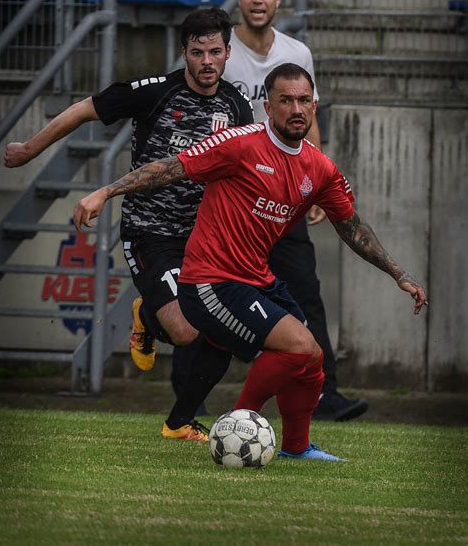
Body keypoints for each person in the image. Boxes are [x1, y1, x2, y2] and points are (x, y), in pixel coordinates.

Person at [73, 63, 427, 461]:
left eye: (304, 100)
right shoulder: (239, 143)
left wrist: (399, 274)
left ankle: (298, 448)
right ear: (267, 106)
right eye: (286, 100)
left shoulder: (320, 168)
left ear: (315, 105)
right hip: (209, 281)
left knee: (313, 359)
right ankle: (238, 428)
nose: (297, 108)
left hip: (256, 279)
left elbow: (353, 228)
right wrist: (106, 191)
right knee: (295, 347)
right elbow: (171, 168)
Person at [4, 7, 254, 441]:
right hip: (149, 231)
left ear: (228, 52)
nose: (208, 61)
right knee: (186, 329)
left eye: (216, 51)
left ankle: (179, 423)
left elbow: (246, 168)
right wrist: (29, 148)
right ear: (185, 53)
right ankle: (150, 315)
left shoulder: (237, 106)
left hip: (204, 238)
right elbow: (85, 109)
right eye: (198, 52)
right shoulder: (155, 91)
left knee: (222, 330)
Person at [222, 0, 368, 421]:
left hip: (283, 201)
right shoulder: (218, 51)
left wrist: (319, 189)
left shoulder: (297, 52)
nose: (258, 0)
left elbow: (309, 122)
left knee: (306, 293)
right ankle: (187, 405)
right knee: (211, 294)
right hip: (230, 203)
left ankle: (325, 394)